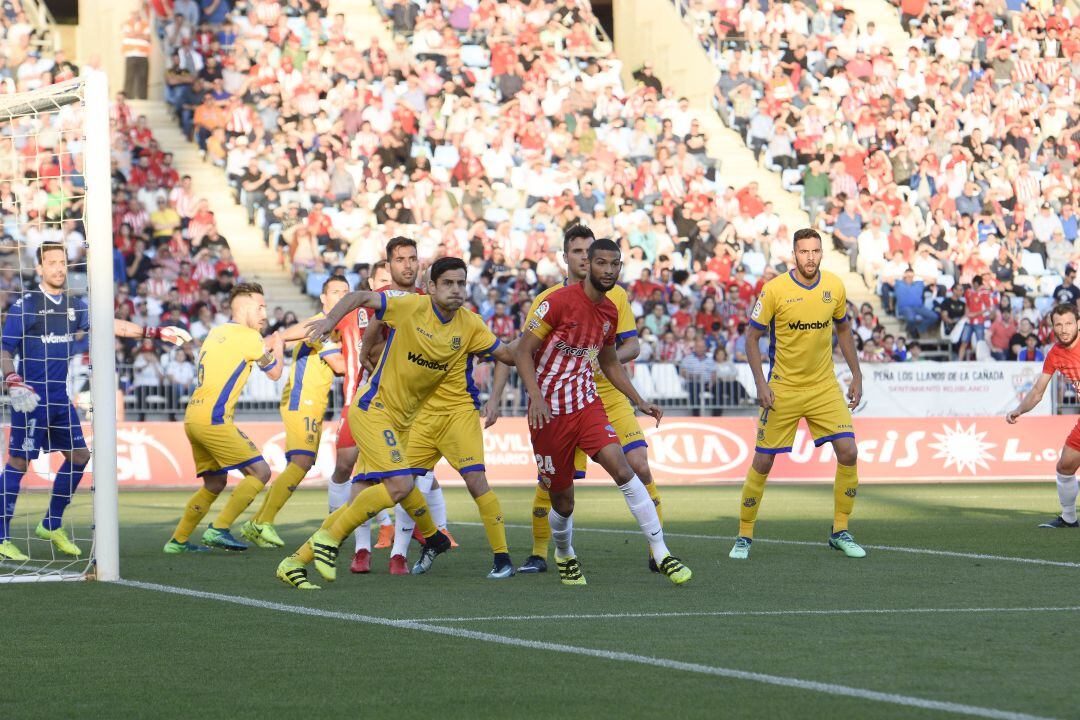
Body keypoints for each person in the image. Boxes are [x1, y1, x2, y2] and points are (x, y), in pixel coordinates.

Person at [276, 257, 517, 590]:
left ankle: (294, 562)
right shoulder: (409, 306)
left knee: (368, 495)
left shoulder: (470, 325)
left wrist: (530, 362)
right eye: (448, 283)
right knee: (401, 486)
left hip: (403, 422)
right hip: (373, 410)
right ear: (431, 287)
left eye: (461, 284)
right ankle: (331, 540)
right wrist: (332, 319)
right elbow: (360, 298)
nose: (456, 290)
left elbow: (507, 354)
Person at [486, 225, 667, 575]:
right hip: (557, 400)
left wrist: (596, 357)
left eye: (593, 254)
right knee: (556, 487)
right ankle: (542, 553)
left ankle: (658, 551)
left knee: (637, 465)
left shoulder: (616, 300)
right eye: (579, 252)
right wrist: (503, 384)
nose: (587, 259)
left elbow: (626, 347)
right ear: (565, 257)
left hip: (605, 395)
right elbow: (523, 349)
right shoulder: (550, 300)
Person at [0, 244, 190, 560]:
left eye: (63, 262)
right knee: (19, 462)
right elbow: (5, 348)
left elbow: (111, 324)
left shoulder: (75, 306)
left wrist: (155, 332)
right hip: (31, 398)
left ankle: (51, 524)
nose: (59, 268)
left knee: (79, 456)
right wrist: (11, 380)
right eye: (52, 263)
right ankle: (1, 536)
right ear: (40, 269)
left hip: (59, 397)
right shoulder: (27, 305)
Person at [733, 228, 865, 560]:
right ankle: (744, 535)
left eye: (815, 251)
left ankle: (840, 530)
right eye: (804, 252)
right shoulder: (775, 289)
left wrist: (857, 374)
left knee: (848, 452)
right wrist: (762, 384)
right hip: (783, 389)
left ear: (822, 253)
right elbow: (751, 338)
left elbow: (844, 328)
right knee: (763, 461)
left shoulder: (834, 285)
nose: (810, 257)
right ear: (794, 254)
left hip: (824, 387)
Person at [162, 283, 284, 553]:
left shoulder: (215, 332)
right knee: (261, 472)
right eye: (259, 307)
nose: (264, 313)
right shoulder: (248, 336)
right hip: (215, 419)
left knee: (215, 482)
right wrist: (280, 345)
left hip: (194, 417)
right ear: (242, 308)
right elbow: (275, 373)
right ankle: (219, 529)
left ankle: (178, 541)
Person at [243, 277, 348, 548]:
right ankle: (262, 522)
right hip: (303, 401)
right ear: (323, 298)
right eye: (335, 292)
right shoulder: (319, 326)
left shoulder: (332, 327)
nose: (342, 296)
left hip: (311, 402)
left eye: (346, 292)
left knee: (301, 463)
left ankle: (258, 521)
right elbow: (339, 366)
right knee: (301, 462)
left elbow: (284, 340)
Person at [1007, 304, 1080, 528]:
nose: (1064, 329)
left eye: (1069, 323)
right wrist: (1019, 409)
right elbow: (1038, 391)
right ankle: (1069, 518)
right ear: (1052, 327)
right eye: (1059, 324)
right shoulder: (1055, 354)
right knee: (1065, 466)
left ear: (1078, 323)